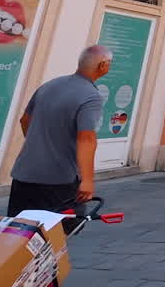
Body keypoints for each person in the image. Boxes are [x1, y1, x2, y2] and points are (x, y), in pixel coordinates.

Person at [8, 44, 110, 216]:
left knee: (20, 230)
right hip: (59, 179)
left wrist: (40, 144)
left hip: (24, 174)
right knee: (58, 232)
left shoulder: (49, 86)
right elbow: (86, 139)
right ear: (102, 66)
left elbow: (25, 121)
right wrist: (87, 181)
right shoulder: (91, 96)